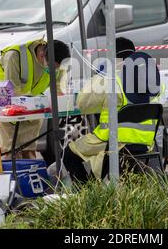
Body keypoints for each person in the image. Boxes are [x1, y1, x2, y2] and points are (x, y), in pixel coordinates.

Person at [63, 37, 161, 183]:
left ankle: (87, 192)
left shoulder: (110, 78)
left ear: (112, 56)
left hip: (114, 141)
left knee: (69, 153)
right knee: (103, 157)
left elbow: (83, 103)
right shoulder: (150, 80)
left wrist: (99, 76)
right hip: (145, 142)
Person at [0, 38, 70, 159]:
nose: (54, 71)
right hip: (7, 103)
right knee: (12, 152)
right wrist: (33, 103)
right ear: (42, 54)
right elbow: (13, 92)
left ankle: (30, 175)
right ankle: (13, 176)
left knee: (30, 151)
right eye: (52, 67)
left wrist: (62, 100)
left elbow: (59, 89)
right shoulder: (15, 56)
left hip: (33, 107)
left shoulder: (57, 62)